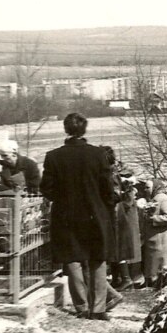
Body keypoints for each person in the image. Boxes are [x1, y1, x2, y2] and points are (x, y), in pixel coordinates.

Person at [40, 113, 118, 320]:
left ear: (66, 129)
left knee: (73, 259)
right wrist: (106, 208)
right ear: (84, 130)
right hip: (96, 214)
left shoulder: (53, 156)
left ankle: (81, 307)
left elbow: (46, 189)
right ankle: (99, 308)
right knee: (98, 258)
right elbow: (108, 189)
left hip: (67, 216)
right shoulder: (98, 155)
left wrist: (63, 199)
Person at [139, 178, 167, 288]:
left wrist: (153, 219)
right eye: (145, 187)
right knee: (152, 264)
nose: (145, 190)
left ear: (156, 187)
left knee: (160, 265)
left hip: (161, 240)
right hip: (153, 240)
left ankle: (158, 284)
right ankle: (151, 282)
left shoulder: (163, 199)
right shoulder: (153, 199)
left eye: (148, 187)